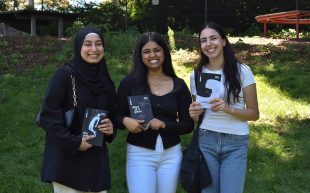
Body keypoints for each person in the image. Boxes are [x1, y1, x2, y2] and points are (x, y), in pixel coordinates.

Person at [38, 27, 116, 193]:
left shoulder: (106, 82)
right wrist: (74, 142)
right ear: (78, 46)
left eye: (98, 44)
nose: (94, 49)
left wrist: (111, 128)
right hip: (67, 163)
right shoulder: (65, 76)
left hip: (96, 164)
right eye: (88, 44)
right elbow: (47, 116)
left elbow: (112, 116)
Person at [115, 32, 194, 193]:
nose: (152, 55)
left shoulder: (179, 85)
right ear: (140, 55)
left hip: (171, 156)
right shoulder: (129, 83)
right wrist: (125, 121)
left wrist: (165, 125)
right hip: (140, 155)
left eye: (157, 50)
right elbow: (116, 116)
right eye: (146, 51)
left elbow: (188, 125)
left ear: (164, 52)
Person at [189, 22, 259, 193]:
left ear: (224, 41)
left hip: (236, 141)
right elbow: (199, 115)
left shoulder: (242, 71)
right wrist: (194, 114)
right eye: (203, 40)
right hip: (206, 139)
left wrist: (229, 109)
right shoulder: (196, 74)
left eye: (213, 38)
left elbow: (254, 113)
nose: (208, 44)